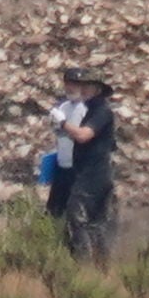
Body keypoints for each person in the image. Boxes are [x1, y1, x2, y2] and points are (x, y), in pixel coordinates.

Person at [57, 67, 117, 261]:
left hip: (93, 175)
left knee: (77, 218)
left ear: (98, 89)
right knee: (95, 224)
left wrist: (62, 124)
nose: (82, 89)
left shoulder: (102, 111)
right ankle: (101, 267)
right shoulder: (90, 110)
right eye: (81, 85)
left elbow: (83, 136)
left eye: (88, 86)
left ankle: (83, 266)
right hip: (96, 174)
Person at [43, 67, 86, 220]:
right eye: (68, 83)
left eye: (75, 83)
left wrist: (63, 124)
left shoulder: (86, 108)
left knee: (76, 214)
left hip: (79, 168)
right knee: (53, 212)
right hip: (62, 166)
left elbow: (83, 135)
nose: (70, 87)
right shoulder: (64, 107)